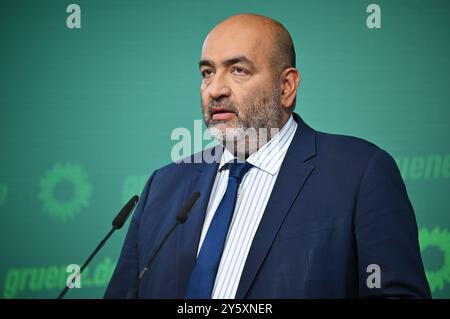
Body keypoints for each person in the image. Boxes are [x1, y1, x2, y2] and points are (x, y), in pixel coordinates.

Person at [104, 14, 431, 298]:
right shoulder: (163, 187)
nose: (215, 89)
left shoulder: (359, 172)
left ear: (286, 86)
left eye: (238, 71)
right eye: (207, 73)